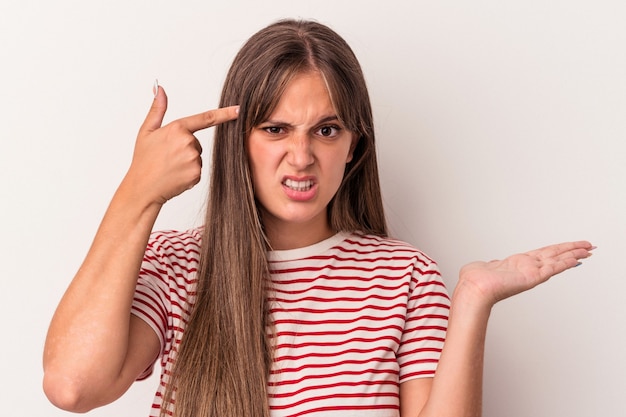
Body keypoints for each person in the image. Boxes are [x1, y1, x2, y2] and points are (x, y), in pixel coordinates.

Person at [42, 19, 594, 417]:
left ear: (354, 145)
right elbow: (72, 387)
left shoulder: (405, 276)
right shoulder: (180, 264)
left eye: (326, 130)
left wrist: (473, 298)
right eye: (275, 129)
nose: (301, 156)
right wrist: (137, 194)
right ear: (240, 142)